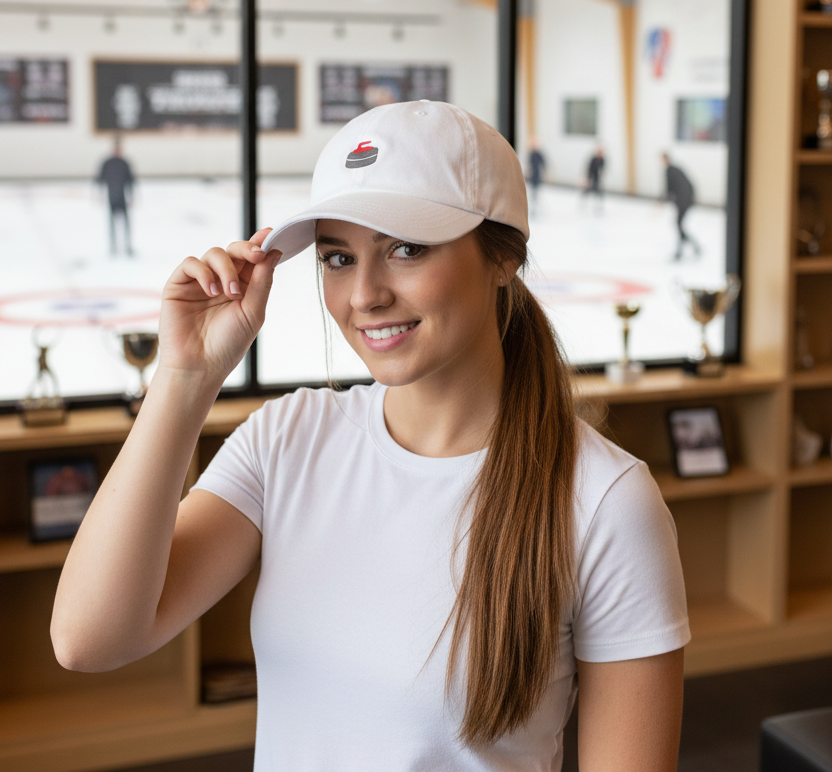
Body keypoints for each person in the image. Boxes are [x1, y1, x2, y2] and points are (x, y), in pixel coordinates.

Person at [52, 101, 690, 771]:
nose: (364, 295)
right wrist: (185, 377)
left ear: (503, 258)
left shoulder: (604, 501)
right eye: (337, 257)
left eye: (406, 249)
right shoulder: (288, 440)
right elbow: (89, 639)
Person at [96, 136, 135, 256]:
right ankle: (113, 246)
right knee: (111, 224)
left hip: (122, 198)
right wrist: (100, 196)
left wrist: (131, 196)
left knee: (126, 223)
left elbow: (130, 181)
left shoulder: (124, 163)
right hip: (111, 197)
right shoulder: (107, 163)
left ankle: (127, 246)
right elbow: (100, 180)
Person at [662, 152, 701, 260]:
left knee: (679, 224)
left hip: (683, 201)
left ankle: (683, 250)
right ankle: (692, 247)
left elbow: (669, 189)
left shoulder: (670, 171)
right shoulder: (675, 169)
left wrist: (661, 200)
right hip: (685, 201)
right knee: (679, 225)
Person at [582, 145, 605, 213]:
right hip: (592, 177)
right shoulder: (593, 159)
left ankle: (599, 205)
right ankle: (584, 202)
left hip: (598, 178)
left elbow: (602, 168)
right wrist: (588, 179)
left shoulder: (602, 160)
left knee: (599, 191)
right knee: (588, 190)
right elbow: (589, 169)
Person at [526, 135, 546, 210]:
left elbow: (544, 163)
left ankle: (536, 204)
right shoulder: (531, 154)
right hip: (532, 175)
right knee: (532, 190)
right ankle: (533, 204)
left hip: (537, 174)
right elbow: (529, 164)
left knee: (536, 190)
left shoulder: (539, 154)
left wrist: (546, 172)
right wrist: (528, 171)